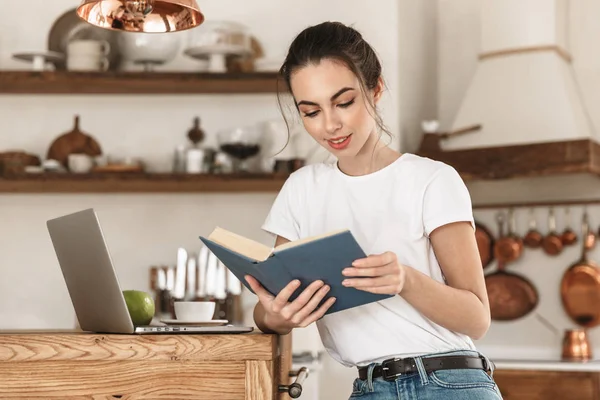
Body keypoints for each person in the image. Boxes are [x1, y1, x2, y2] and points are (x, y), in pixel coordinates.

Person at [245, 21, 503, 400]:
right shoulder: (301, 189)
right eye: (311, 111)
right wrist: (276, 317)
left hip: (450, 384)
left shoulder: (432, 180)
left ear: (375, 88)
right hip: (368, 387)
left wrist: (406, 280)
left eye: (344, 102)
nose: (330, 125)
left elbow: (477, 318)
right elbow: (268, 308)